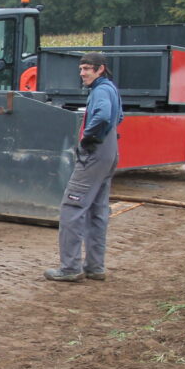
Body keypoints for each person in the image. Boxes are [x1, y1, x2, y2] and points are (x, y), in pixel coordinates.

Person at [45, 52, 124, 282]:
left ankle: (70, 268)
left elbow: (103, 115)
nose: (82, 74)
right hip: (110, 152)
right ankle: (95, 267)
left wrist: (88, 138)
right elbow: (119, 117)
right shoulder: (110, 88)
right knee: (97, 210)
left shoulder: (100, 91)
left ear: (100, 69)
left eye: (87, 69)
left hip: (95, 153)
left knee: (72, 207)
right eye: (81, 69)